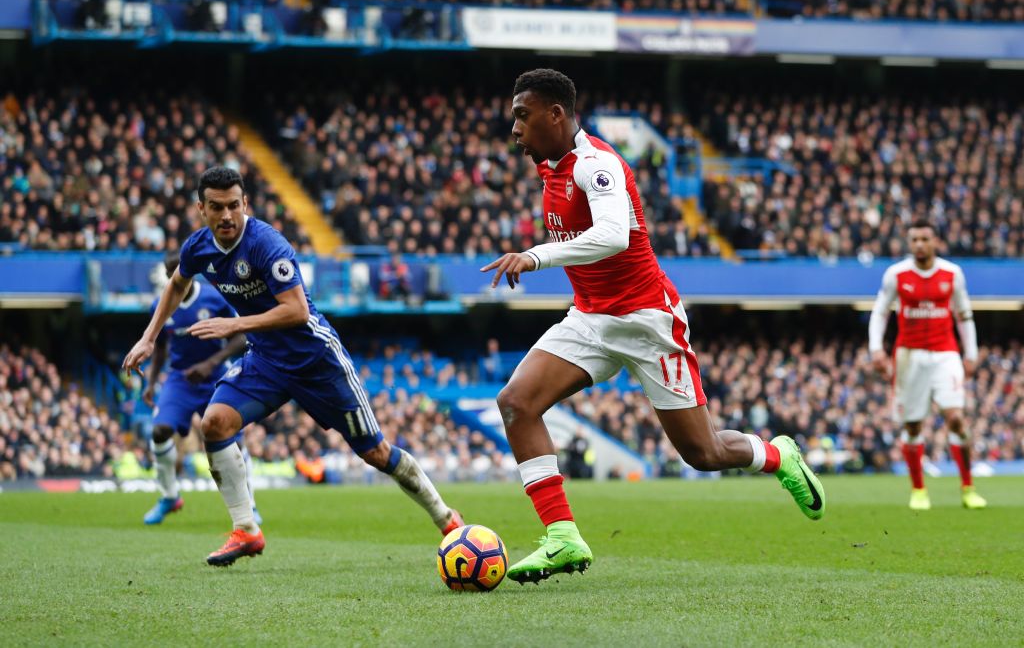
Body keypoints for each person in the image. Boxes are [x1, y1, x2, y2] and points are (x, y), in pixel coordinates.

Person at [481, 69, 825, 585]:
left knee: (703, 452)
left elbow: (615, 236)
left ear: (556, 115)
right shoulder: (549, 167)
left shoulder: (597, 165)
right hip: (592, 317)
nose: (514, 130)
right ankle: (561, 537)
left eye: (522, 117)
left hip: (647, 319)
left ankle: (778, 455)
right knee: (516, 403)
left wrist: (535, 257)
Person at [123, 166, 463, 567]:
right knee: (214, 424)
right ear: (202, 209)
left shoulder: (267, 244)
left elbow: (297, 311)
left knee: (375, 451)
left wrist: (236, 324)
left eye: (234, 205)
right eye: (217, 207)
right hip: (266, 361)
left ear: (245, 203)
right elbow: (177, 284)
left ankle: (447, 519)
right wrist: (148, 336)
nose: (227, 215)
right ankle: (246, 530)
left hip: (316, 360)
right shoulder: (198, 247)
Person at [869, 218, 986, 511]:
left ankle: (968, 487)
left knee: (956, 418)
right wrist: (876, 349)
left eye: (925, 239)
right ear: (909, 244)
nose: (920, 245)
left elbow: (964, 314)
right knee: (912, 424)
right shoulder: (896, 274)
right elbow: (880, 312)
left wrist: (970, 352)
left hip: (946, 354)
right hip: (909, 356)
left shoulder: (952, 273)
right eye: (915, 240)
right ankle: (919, 490)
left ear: (935, 241)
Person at [141, 251, 253, 526]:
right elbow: (160, 348)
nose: (174, 279)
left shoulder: (214, 298)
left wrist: (210, 363)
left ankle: (249, 504)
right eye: (169, 275)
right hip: (180, 379)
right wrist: (152, 383)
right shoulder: (162, 303)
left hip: (215, 375)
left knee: (233, 440)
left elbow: (242, 334)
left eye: (177, 273)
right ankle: (169, 496)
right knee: (159, 431)